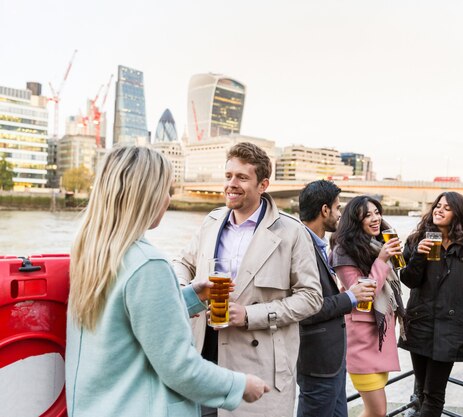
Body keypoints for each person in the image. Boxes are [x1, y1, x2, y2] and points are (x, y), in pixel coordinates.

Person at [65, 146, 269, 417]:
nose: (168, 198)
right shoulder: (149, 264)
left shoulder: (93, 252)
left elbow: (127, 319)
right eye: (166, 189)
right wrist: (241, 384)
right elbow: (179, 369)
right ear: (146, 195)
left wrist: (190, 296)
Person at [173, 142, 323, 417]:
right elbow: (182, 263)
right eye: (229, 175)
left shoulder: (292, 232)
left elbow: (312, 298)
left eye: (242, 177)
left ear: (263, 184)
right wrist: (188, 293)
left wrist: (250, 314)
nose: (232, 184)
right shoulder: (211, 221)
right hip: (203, 361)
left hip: (260, 367)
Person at [399, 191, 463, 417]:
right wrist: (418, 255)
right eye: (438, 205)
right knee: (421, 389)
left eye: (446, 208)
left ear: (458, 214)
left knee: (434, 394)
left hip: (451, 326)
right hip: (420, 322)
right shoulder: (417, 240)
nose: (439, 209)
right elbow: (409, 280)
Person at [296, 180, 376, 417]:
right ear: (324, 210)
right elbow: (305, 307)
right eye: (338, 208)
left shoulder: (317, 244)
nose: (340, 214)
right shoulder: (301, 245)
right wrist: (350, 298)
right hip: (317, 361)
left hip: (333, 361)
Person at [330, 195, 406, 417]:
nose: (375, 219)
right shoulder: (342, 252)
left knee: (374, 411)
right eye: (367, 215)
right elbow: (364, 293)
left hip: (379, 339)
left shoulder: (377, 244)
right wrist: (382, 261)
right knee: (377, 411)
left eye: (376, 212)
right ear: (355, 220)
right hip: (362, 342)